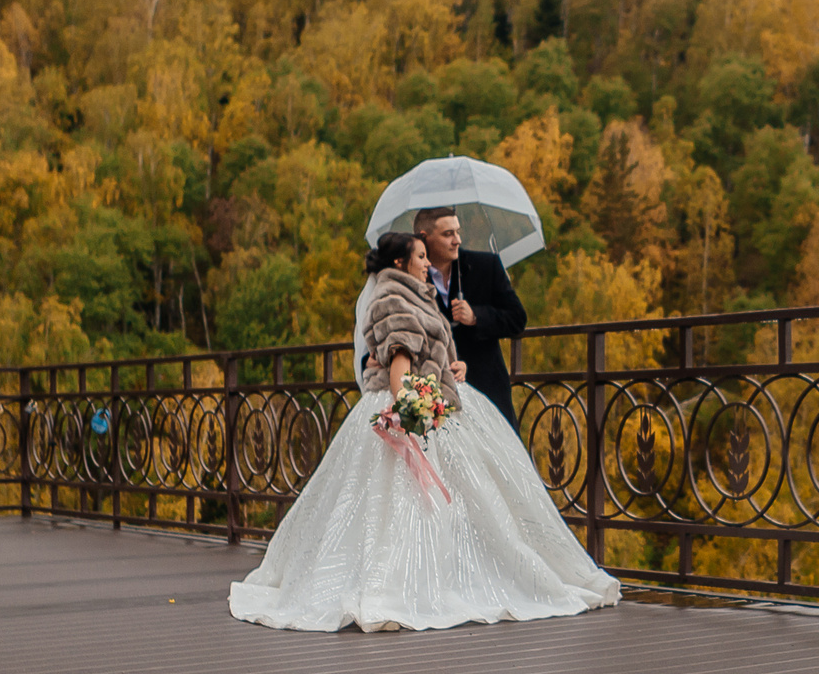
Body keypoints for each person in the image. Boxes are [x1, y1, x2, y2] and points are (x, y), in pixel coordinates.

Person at [227, 231, 619, 633]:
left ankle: (439, 576)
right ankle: (398, 588)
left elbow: (429, 355)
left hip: (431, 397)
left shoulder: (416, 294)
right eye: (420, 256)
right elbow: (399, 367)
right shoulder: (394, 300)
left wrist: (454, 369)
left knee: (431, 503)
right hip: (411, 406)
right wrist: (413, 411)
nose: (428, 264)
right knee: (403, 504)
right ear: (400, 264)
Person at [415, 207, 525, 424]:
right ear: (424, 238)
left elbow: (517, 319)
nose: (457, 240)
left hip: (487, 388)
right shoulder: (413, 275)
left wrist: (477, 317)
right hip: (436, 396)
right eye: (448, 234)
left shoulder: (486, 265)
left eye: (457, 232)